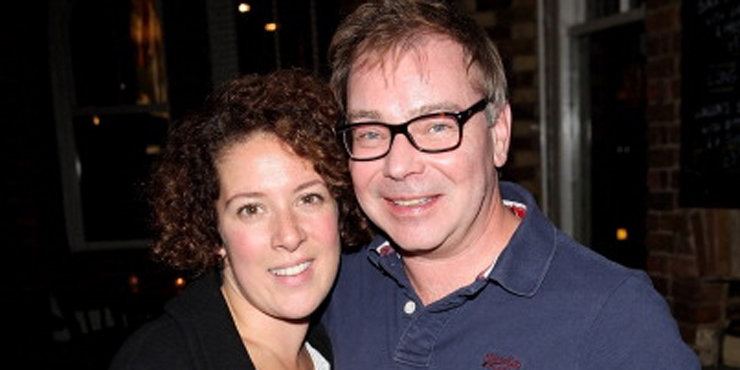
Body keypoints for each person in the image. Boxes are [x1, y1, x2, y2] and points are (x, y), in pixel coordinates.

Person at [320, 1, 701, 368]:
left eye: (436, 125)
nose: (399, 165)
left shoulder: (616, 321)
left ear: (498, 134)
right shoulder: (328, 289)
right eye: (370, 132)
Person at [110, 69, 370, 370]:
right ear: (212, 230)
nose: (289, 235)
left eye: (308, 198)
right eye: (252, 209)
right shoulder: (163, 360)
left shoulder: (342, 345)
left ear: (340, 207)